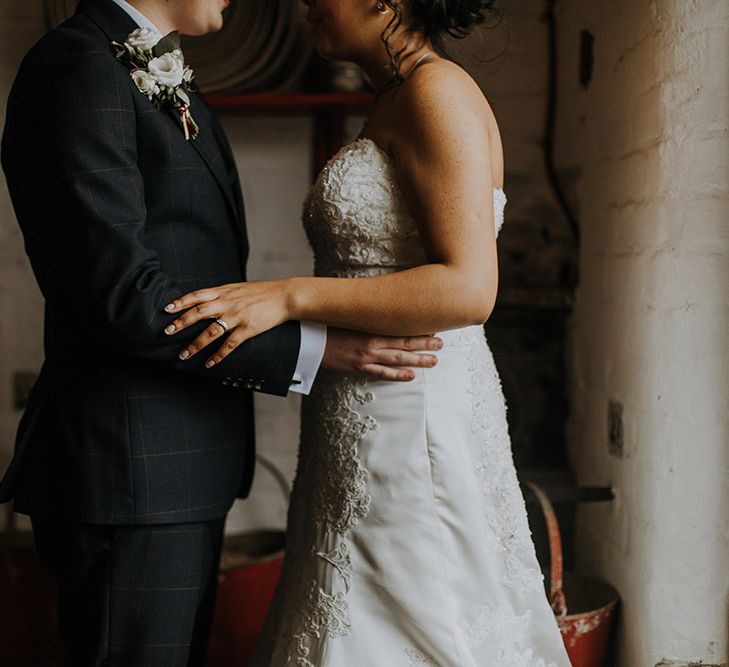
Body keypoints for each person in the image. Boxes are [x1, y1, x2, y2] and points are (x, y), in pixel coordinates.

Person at [0, 0, 441, 664]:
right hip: (133, 467)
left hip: (173, 463)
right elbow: (121, 297)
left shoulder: (142, 61)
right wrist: (315, 348)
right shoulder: (79, 68)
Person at [164, 0, 573, 664]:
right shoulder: (394, 96)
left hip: (410, 416)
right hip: (362, 409)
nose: (303, 4)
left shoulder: (437, 92)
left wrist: (290, 295)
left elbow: (469, 288)